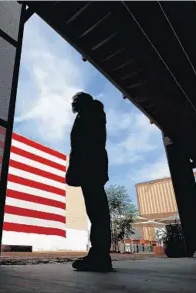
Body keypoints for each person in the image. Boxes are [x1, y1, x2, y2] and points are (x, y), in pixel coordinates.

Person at [66, 92, 112, 272]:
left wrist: (77, 169)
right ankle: (100, 255)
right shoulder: (91, 113)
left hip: (90, 168)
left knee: (97, 212)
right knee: (97, 211)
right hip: (91, 168)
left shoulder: (90, 113)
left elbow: (84, 145)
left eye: (75, 101)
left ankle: (99, 256)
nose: (73, 104)